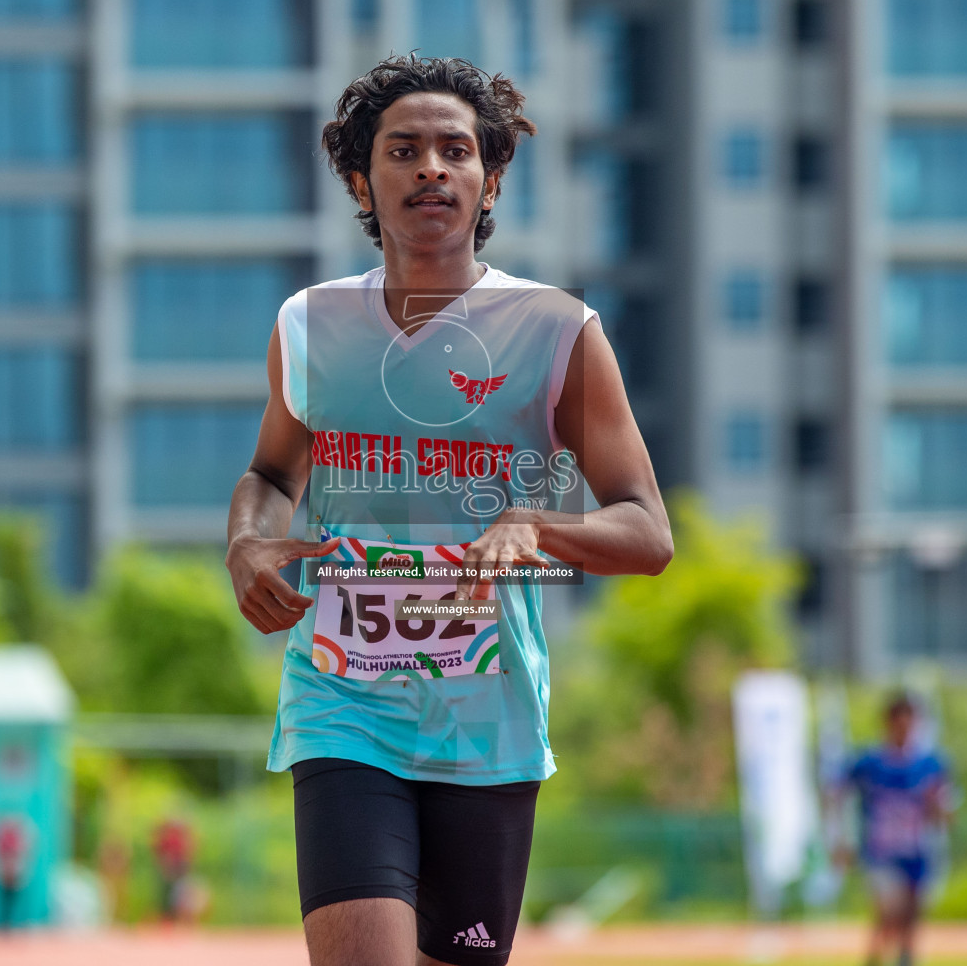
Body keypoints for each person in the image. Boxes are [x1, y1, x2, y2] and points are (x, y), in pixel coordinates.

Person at [225, 55, 673, 966]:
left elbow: (648, 532)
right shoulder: (308, 324)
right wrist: (248, 544)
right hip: (342, 704)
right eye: (404, 150)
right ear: (362, 178)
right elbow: (271, 474)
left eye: (455, 150)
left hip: (490, 723)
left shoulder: (558, 331)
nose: (432, 167)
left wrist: (536, 527)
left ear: (490, 177)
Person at [836, 693, 952, 966]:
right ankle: (874, 958)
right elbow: (836, 793)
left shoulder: (930, 765)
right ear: (888, 723)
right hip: (881, 851)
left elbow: (944, 815)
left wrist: (935, 806)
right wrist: (841, 839)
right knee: (889, 912)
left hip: (916, 849)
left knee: (911, 915)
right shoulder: (869, 763)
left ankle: (905, 959)